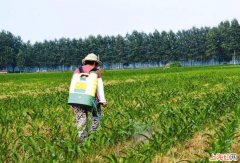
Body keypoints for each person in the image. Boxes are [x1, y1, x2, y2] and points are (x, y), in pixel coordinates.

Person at [70, 53, 107, 141]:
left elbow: (72, 85)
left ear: (85, 61)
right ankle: (93, 136)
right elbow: (99, 87)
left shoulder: (77, 70)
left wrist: (72, 102)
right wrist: (103, 100)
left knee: (81, 119)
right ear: (95, 63)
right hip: (92, 99)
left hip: (77, 99)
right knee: (96, 115)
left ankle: (82, 140)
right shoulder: (96, 71)